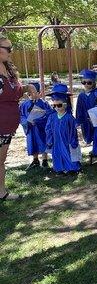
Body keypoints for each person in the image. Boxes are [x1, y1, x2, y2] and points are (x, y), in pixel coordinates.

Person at [0, 35, 39, 200]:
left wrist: (28, 87)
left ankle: (1, 192)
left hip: (7, 126)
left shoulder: (7, 69)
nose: (11, 52)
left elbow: (14, 91)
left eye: (11, 48)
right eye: (7, 49)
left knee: (0, 160)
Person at [45, 90, 80, 174]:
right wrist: (49, 140)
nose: (56, 107)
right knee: (57, 154)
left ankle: (71, 169)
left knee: (68, 153)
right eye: (54, 105)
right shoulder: (52, 117)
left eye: (59, 105)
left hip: (67, 141)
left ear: (65, 105)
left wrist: (73, 141)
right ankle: (59, 169)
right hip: (56, 140)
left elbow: (73, 131)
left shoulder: (69, 117)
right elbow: (48, 129)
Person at [19, 82, 53, 170]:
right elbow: (21, 116)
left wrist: (38, 121)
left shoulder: (44, 103)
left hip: (41, 128)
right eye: (29, 93)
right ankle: (35, 160)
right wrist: (26, 122)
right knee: (32, 143)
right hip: (30, 128)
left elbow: (49, 115)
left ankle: (45, 160)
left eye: (34, 93)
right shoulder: (24, 104)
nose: (31, 95)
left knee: (43, 142)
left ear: (39, 93)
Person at [75, 69, 97, 144]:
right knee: (87, 135)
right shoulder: (81, 95)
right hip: (85, 119)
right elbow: (78, 109)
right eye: (84, 82)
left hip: (96, 119)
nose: (86, 84)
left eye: (89, 83)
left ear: (94, 82)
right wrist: (78, 121)